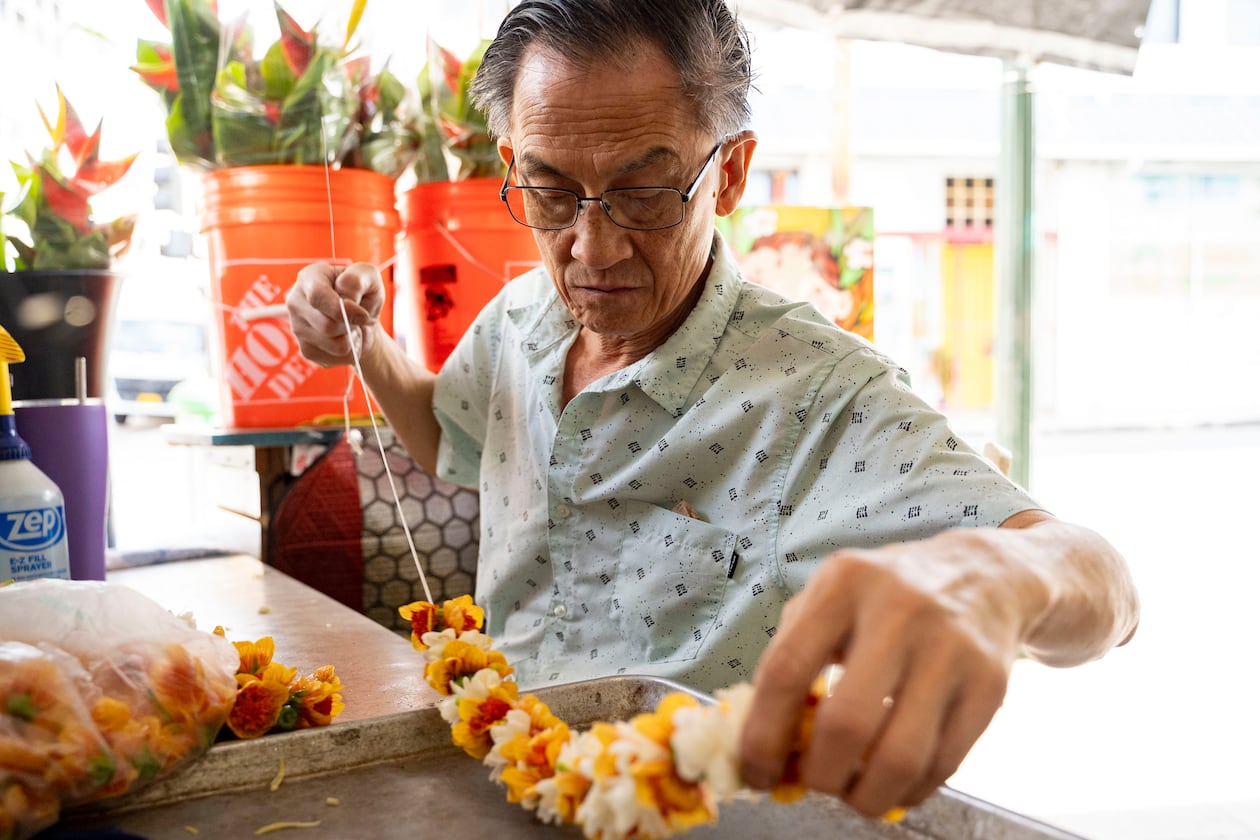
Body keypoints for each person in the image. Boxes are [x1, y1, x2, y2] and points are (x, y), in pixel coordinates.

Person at [286, 0, 1139, 819]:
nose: (593, 247)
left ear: (727, 170)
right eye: (549, 191)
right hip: (495, 786)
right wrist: (363, 340)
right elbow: (449, 431)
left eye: (645, 192)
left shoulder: (813, 395)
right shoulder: (520, 318)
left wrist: (1000, 579)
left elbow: (1104, 588)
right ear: (512, 164)